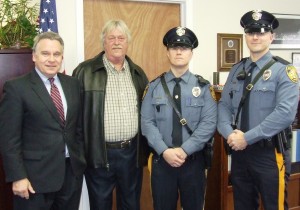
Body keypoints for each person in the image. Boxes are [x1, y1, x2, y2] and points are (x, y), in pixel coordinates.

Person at [218, 10, 299, 210]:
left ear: (271, 37)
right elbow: (223, 106)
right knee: (243, 206)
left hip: (269, 154)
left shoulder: (284, 71)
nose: (255, 37)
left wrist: (247, 138)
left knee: (275, 206)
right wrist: (230, 135)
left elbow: (285, 113)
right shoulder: (237, 69)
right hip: (239, 153)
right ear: (245, 35)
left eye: (262, 32)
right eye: (251, 32)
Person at [0, 31, 86, 210]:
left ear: (62, 57)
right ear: (34, 56)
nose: (51, 59)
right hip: (33, 180)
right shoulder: (16, 88)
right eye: (45, 53)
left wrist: (80, 160)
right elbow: (9, 139)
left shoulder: (73, 84)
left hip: (70, 176)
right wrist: (18, 176)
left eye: (56, 54)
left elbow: (76, 128)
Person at [72, 19, 149, 210]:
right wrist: (81, 154)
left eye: (121, 38)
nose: (116, 42)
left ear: (127, 42)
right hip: (98, 154)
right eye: (111, 38)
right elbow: (74, 120)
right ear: (104, 42)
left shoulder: (138, 73)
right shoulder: (84, 72)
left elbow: (147, 115)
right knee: (100, 205)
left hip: (131, 153)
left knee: (131, 204)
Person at [141, 26, 217, 210]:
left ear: (191, 53)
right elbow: (146, 123)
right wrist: (164, 151)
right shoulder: (153, 87)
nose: (179, 52)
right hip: (162, 162)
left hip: (193, 163)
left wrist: (184, 150)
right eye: (174, 47)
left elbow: (208, 124)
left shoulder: (204, 88)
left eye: (184, 48)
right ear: (167, 52)